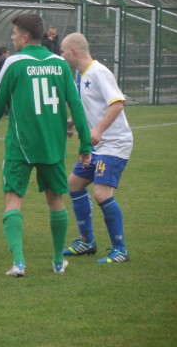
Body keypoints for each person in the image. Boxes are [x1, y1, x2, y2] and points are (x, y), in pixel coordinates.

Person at [0, 13, 92, 277]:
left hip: (21, 145)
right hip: (52, 145)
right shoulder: (60, 64)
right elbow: (76, 105)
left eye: (14, 33)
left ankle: (19, 263)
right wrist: (85, 144)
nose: (11, 37)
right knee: (56, 201)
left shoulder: (14, 63)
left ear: (25, 37)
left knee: (12, 199)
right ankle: (57, 261)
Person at [60, 33, 132, 264]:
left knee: (101, 193)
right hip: (98, 146)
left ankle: (120, 249)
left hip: (114, 143)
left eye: (63, 51)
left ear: (73, 52)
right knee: (74, 184)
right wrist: (72, 122)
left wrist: (99, 130)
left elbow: (117, 104)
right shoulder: (81, 76)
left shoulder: (99, 72)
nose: (61, 56)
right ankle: (87, 242)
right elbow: (91, 107)